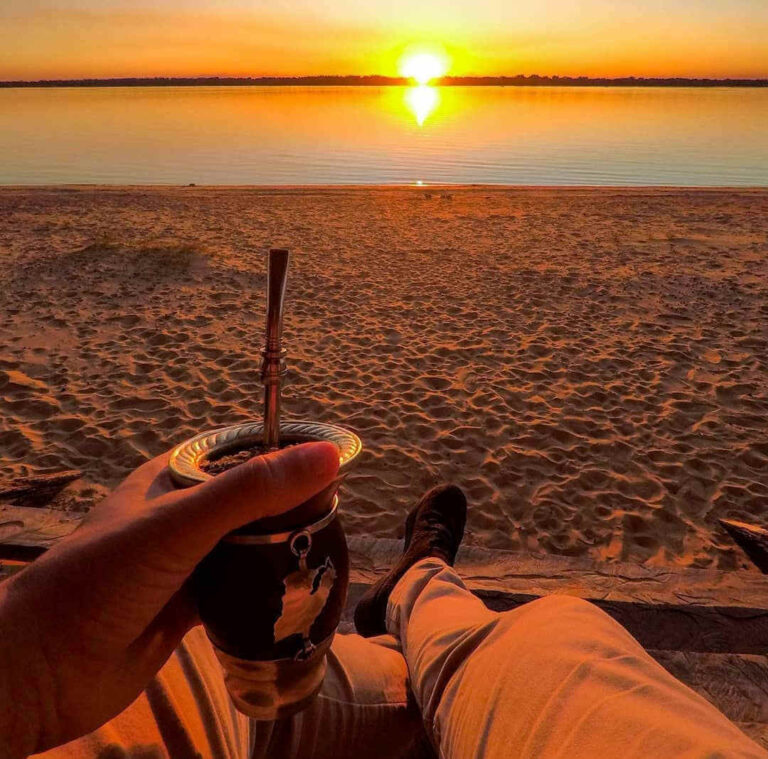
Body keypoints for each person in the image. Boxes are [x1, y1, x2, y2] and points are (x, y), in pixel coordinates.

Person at [0, 442, 764, 759]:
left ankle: (417, 599)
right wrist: (28, 666)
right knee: (552, 632)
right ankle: (424, 585)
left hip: (80, 698)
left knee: (351, 678)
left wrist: (28, 660)